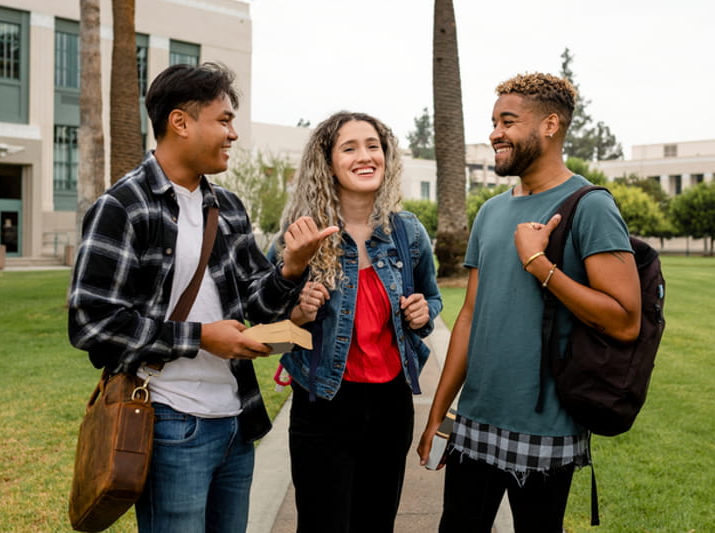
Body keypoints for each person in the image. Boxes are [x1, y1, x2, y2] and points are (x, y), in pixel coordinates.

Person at [67, 62, 337, 533]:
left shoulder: (227, 206)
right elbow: (92, 323)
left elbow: (258, 301)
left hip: (236, 420)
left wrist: (292, 266)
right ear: (181, 122)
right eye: (224, 120)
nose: (233, 134)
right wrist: (201, 338)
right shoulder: (124, 206)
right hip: (170, 421)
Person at [416, 72, 642, 533]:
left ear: (550, 125)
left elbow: (625, 321)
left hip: (547, 428)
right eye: (493, 121)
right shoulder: (491, 212)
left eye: (508, 121)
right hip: (475, 422)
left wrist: (540, 264)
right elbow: (470, 318)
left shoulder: (590, 206)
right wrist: (439, 414)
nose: (495, 132)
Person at [269, 111, 443, 533]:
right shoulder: (300, 237)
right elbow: (265, 329)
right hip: (323, 406)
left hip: (391, 407)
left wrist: (424, 313)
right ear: (327, 162)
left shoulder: (408, 232)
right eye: (349, 148)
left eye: (373, 146)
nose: (365, 156)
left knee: (376, 523)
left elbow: (432, 299)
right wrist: (298, 313)